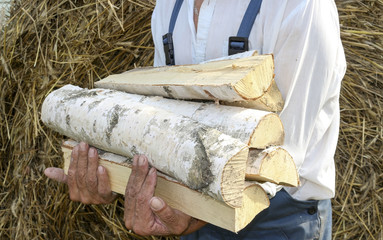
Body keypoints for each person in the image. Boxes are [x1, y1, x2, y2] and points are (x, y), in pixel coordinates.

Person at [44, 0, 347, 239]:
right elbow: (168, 120)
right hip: (193, 203)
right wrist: (113, 176)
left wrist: (191, 212)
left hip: (278, 220)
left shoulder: (300, 6)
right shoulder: (169, 7)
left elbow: (280, 156)